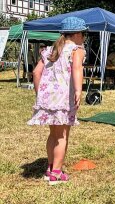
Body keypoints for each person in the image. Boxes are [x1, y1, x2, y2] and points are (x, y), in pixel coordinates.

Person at [27, 16, 87, 185]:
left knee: (53, 134)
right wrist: (78, 90)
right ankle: (56, 174)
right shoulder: (76, 50)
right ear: (76, 34)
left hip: (47, 98)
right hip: (63, 99)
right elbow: (77, 69)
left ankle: (50, 167)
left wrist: (40, 93)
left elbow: (36, 73)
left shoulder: (50, 50)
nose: (84, 37)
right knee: (62, 136)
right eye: (83, 34)